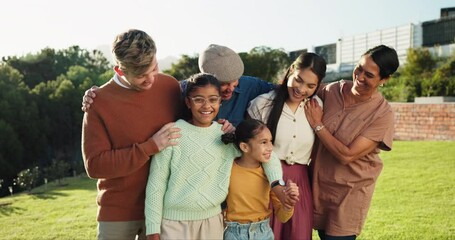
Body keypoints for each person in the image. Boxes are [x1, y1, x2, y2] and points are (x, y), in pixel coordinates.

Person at [144, 73, 284, 240]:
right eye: (198, 99)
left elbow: (266, 152)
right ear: (188, 102)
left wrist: (276, 183)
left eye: (213, 99)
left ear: (220, 101)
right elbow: (156, 184)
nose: (206, 106)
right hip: (173, 223)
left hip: (213, 223)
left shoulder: (225, 136)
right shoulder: (172, 133)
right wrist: (153, 229)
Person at [81, 29, 183, 240]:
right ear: (119, 71)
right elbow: (95, 165)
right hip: (118, 212)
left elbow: (192, 127)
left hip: (163, 208)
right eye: (140, 76)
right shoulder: (98, 102)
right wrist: (150, 147)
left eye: (154, 69)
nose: (150, 80)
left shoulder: (170, 86)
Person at [304, 45, 399, 240]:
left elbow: (347, 154)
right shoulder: (331, 90)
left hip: (349, 195)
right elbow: (299, 91)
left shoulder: (382, 114)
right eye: (359, 68)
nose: (360, 77)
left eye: (369, 75)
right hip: (317, 187)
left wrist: (317, 124)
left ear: (384, 80)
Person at [82, 44, 276, 127]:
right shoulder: (179, 91)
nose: (231, 89)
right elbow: (139, 97)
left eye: (236, 83)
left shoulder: (252, 85)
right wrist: (102, 95)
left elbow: (286, 91)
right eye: (225, 85)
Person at [247, 52, 327, 240]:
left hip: (299, 185)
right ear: (291, 70)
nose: (301, 89)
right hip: (264, 181)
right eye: (298, 80)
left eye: (310, 86)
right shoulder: (263, 104)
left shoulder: (316, 107)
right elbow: (248, 149)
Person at [221, 118, 299, 240]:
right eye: (264, 142)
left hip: (263, 233)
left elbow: (282, 217)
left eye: (270, 141)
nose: (270, 147)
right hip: (234, 233)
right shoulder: (228, 170)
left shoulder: (270, 175)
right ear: (244, 147)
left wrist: (288, 204)